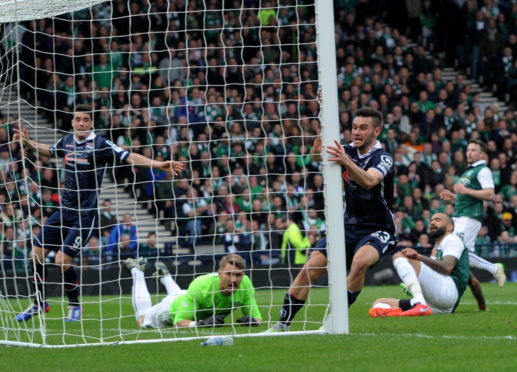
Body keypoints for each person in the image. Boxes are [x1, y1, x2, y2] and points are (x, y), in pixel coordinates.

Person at [13, 104, 184, 322]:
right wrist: (29, 144)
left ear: (91, 122)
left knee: (61, 261)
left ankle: (74, 306)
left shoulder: (101, 144)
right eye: (77, 119)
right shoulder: (66, 141)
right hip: (63, 210)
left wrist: (159, 164)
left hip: (84, 215)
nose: (81, 123)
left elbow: (129, 156)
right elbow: (51, 150)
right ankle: (39, 303)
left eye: (85, 119)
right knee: (35, 254)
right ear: (72, 122)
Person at [266, 107, 397, 332]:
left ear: (376, 131)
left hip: (378, 227)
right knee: (310, 269)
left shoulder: (383, 157)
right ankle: (281, 325)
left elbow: (369, 181)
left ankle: (334, 319)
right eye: (354, 127)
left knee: (359, 263)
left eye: (363, 128)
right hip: (347, 226)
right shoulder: (347, 150)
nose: (356, 132)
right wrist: (317, 150)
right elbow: (317, 157)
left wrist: (345, 161)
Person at [439, 139, 506, 310]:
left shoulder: (483, 170)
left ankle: (431, 284)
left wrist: (465, 190)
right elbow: (468, 196)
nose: (469, 152)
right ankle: (493, 271)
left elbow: (490, 194)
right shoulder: (469, 171)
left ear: (481, 154)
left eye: (473, 150)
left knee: (454, 251)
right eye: (468, 150)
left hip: (469, 218)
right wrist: (454, 197)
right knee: (462, 254)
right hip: (461, 216)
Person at [369, 213, 469, 316]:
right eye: (431, 221)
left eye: (438, 220)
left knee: (400, 256)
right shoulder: (439, 247)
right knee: (379, 303)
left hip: (448, 292)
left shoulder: (452, 239)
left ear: (450, 226)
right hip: (439, 304)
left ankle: (419, 303)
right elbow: (472, 280)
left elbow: (447, 267)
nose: (432, 222)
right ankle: (404, 310)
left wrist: (418, 256)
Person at [126, 253, 262, 328]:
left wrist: (252, 321)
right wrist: (201, 324)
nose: (234, 280)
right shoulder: (201, 285)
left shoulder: (246, 285)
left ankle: (165, 276)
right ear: (219, 273)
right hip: (170, 309)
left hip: (188, 298)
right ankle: (136, 270)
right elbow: (179, 322)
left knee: (183, 297)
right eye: (229, 274)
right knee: (141, 319)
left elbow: (257, 318)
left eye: (238, 275)